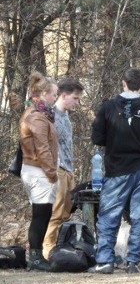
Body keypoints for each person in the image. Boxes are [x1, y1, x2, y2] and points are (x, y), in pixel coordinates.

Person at [89, 68, 140, 274]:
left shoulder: (108, 108)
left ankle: (105, 260)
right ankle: (133, 262)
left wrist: (114, 140)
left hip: (116, 169)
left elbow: (97, 138)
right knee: (138, 216)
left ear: (123, 83)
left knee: (109, 215)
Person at [19, 72, 59, 271]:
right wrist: (52, 173)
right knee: (41, 215)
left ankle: (36, 255)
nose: (55, 98)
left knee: (42, 214)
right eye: (53, 94)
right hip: (38, 171)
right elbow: (42, 148)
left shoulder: (38, 113)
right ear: (44, 94)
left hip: (35, 169)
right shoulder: (37, 117)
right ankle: (35, 258)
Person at [42, 77, 84, 259]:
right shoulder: (49, 115)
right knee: (55, 212)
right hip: (56, 170)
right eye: (75, 98)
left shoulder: (66, 115)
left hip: (68, 169)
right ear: (64, 95)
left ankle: (60, 247)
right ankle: (47, 250)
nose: (77, 102)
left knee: (66, 211)